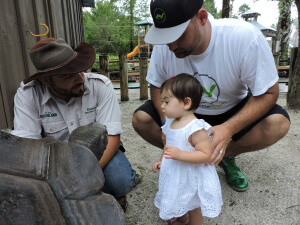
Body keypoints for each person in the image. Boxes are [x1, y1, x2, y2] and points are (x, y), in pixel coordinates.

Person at [133, 0, 290, 192]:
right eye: (166, 37)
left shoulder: (244, 38)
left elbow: (269, 92)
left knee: (278, 123)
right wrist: (167, 124)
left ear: (202, 18)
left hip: (231, 110)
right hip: (185, 113)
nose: (171, 46)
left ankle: (221, 155)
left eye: (178, 35)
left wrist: (229, 128)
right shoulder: (165, 47)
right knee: (141, 119)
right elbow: (156, 85)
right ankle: (188, 155)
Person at [11, 37, 139, 210]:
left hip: (99, 154)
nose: (79, 79)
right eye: (67, 76)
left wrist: (81, 176)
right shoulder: (28, 95)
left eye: (80, 70)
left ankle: (122, 182)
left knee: (122, 182)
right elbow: (27, 148)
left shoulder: (100, 85)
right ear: (46, 81)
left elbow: (112, 138)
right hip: (56, 160)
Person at [152, 74, 222, 225]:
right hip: (175, 172)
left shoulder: (195, 128)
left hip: (191, 175)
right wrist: (162, 160)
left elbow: (205, 154)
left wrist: (180, 154)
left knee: (193, 206)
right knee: (178, 197)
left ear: (186, 103)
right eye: (162, 101)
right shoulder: (170, 122)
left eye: (166, 101)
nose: (162, 106)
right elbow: (168, 145)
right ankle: (182, 218)